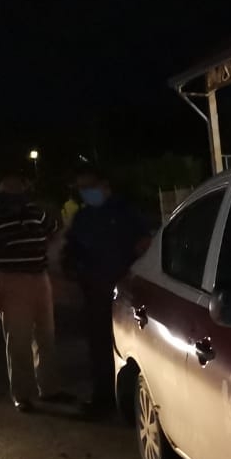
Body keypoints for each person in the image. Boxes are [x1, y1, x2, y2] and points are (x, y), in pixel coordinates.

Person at [0, 173, 62, 412]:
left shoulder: (33, 210)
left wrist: (42, 248)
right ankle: (23, 395)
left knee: (46, 336)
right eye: (9, 182)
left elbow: (53, 230)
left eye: (18, 182)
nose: (15, 187)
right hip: (10, 280)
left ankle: (49, 388)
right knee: (18, 340)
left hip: (39, 278)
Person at [64, 168, 151, 417]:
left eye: (88, 187)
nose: (85, 193)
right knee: (99, 347)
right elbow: (72, 250)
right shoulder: (84, 217)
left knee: (127, 346)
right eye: (81, 189)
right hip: (94, 292)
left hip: (124, 292)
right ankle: (103, 397)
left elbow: (144, 244)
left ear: (103, 185)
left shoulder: (125, 212)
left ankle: (128, 399)